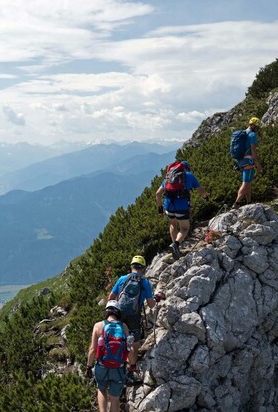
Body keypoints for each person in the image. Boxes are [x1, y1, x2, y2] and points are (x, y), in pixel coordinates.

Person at [107, 255, 165, 384]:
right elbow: (150, 304)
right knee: (134, 344)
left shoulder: (122, 279)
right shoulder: (144, 282)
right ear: (143, 268)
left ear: (131, 267)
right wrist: (156, 298)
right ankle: (131, 370)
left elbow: (111, 297)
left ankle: (114, 366)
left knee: (118, 339)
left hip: (119, 315)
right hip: (134, 317)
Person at [156, 161, 209, 259]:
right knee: (184, 228)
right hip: (181, 206)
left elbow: (158, 193)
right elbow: (200, 190)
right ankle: (175, 244)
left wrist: (160, 209)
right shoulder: (188, 175)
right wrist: (206, 197)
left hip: (168, 205)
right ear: (187, 169)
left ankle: (176, 249)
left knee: (173, 224)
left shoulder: (169, 177)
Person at [86, 300, 130, 412]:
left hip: (102, 365)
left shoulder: (98, 326)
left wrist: (88, 366)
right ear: (118, 312)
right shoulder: (124, 326)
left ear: (106, 312)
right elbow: (128, 347)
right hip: (118, 367)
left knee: (101, 389)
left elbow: (92, 349)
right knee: (115, 398)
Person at [232, 117, 262, 209]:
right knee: (245, 183)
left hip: (240, 161)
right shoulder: (252, 135)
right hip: (248, 161)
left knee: (248, 182)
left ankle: (249, 202)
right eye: (257, 127)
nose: (257, 129)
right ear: (253, 126)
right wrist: (257, 163)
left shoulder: (243, 133)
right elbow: (253, 150)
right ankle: (236, 203)